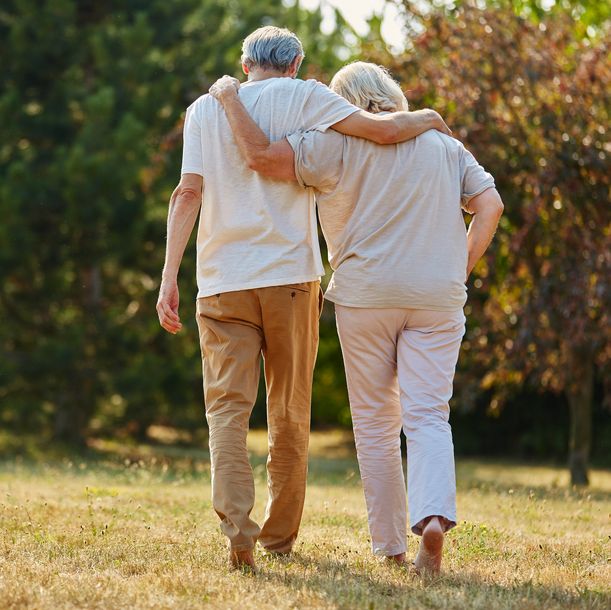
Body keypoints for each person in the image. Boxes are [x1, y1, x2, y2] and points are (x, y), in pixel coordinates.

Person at [156, 28, 451, 571]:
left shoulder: (203, 109)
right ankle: (279, 539)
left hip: (221, 282)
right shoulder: (309, 95)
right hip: (292, 280)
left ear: (244, 63)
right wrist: (429, 118)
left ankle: (237, 535)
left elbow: (188, 192)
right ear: (295, 62)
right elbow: (382, 132)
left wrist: (169, 275)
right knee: (288, 413)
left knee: (226, 412)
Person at [208, 61, 504, 574]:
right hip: (437, 295)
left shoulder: (332, 143)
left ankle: (389, 546)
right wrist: (458, 269)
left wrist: (235, 100)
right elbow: (491, 205)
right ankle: (432, 519)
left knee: (374, 424)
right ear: (391, 95)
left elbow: (262, 158)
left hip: (365, 295)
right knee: (429, 415)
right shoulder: (442, 143)